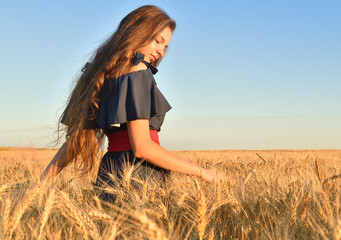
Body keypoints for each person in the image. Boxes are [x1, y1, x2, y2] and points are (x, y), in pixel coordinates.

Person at [40, 5, 219, 198]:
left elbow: (76, 142)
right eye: (158, 41)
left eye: (165, 47)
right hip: (141, 177)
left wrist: (39, 184)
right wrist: (203, 172)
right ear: (138, 32)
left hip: (109, 174)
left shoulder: (98, 74)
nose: (160, 51)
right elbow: (143, 148)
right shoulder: (138, 72)